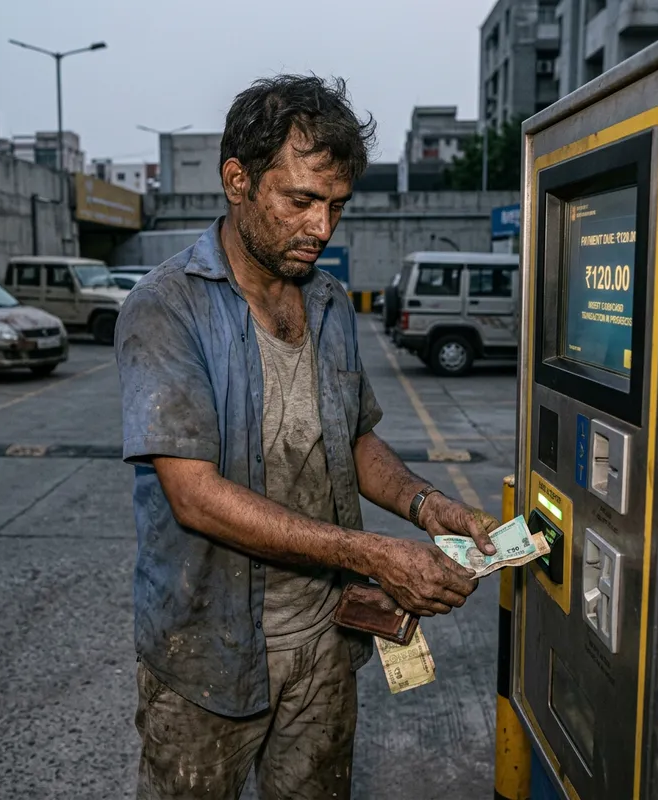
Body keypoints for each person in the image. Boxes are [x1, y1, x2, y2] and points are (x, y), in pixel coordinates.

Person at [115, 74, 499, 800]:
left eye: (337, 206)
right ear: (237, 180)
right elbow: (194, 498)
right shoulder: (165, 309)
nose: (321, 228)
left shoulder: (326, 301)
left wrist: (427, 506)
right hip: (206, 655)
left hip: (327, 643)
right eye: (300, 200)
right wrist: (374, 553)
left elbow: (351, 443)